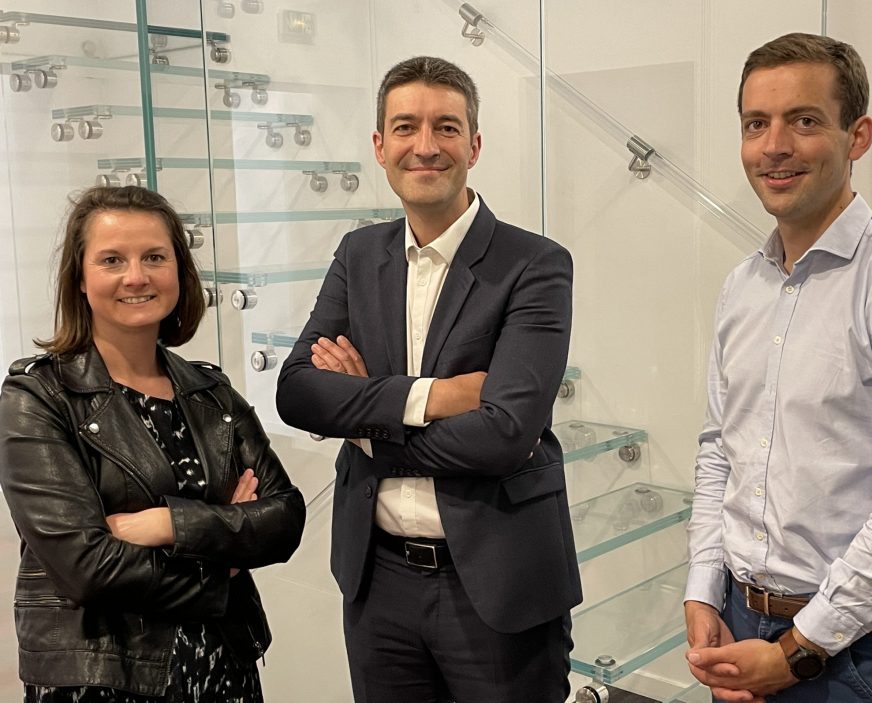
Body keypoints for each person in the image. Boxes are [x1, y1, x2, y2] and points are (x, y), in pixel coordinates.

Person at [276, 56, 581, 702]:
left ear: (474, 145)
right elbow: (297, 390)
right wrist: (436, 397)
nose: (425, 145)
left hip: (498, 583)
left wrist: (364, 425)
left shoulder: (534, 264)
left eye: (445, 127)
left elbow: (505, 433)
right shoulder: (360, 254)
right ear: (379, 146)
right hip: (377, 580)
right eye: (405, 127)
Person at [684, 32, 872, 703]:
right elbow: (718, 451)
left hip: (863, 652)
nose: (773, 146)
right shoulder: (742, 286)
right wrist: (701, 589)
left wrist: (796, 651)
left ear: (857, 137)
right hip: (739, 621)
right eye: (755, 124)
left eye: (803, 121)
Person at [0, 185, 306, 702]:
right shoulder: (37, 398)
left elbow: (284, 519)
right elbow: (88, 569)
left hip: (223, 669)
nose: (136, 276)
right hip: (102, 679)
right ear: (80, 278)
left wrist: (165, 524)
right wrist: (224, 562)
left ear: (179, 272)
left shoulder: (211, 392)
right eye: (112, 260)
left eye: (155, 257)